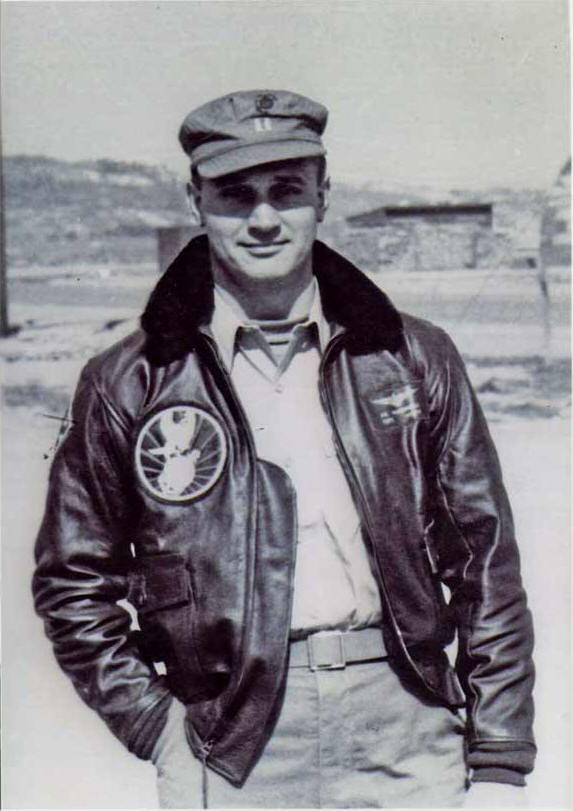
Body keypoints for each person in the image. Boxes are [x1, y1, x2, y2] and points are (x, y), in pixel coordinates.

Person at [33, 89, 535, 809]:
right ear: (196, 201)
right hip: (232, 745)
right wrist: (154, 725)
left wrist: (499, 753)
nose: (264, 218)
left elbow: (485, 559)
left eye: (287, 190)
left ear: (323, 195)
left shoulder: (412, 356)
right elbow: (73, 581)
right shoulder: (130, 379)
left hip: (405, 725)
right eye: (236, 195)